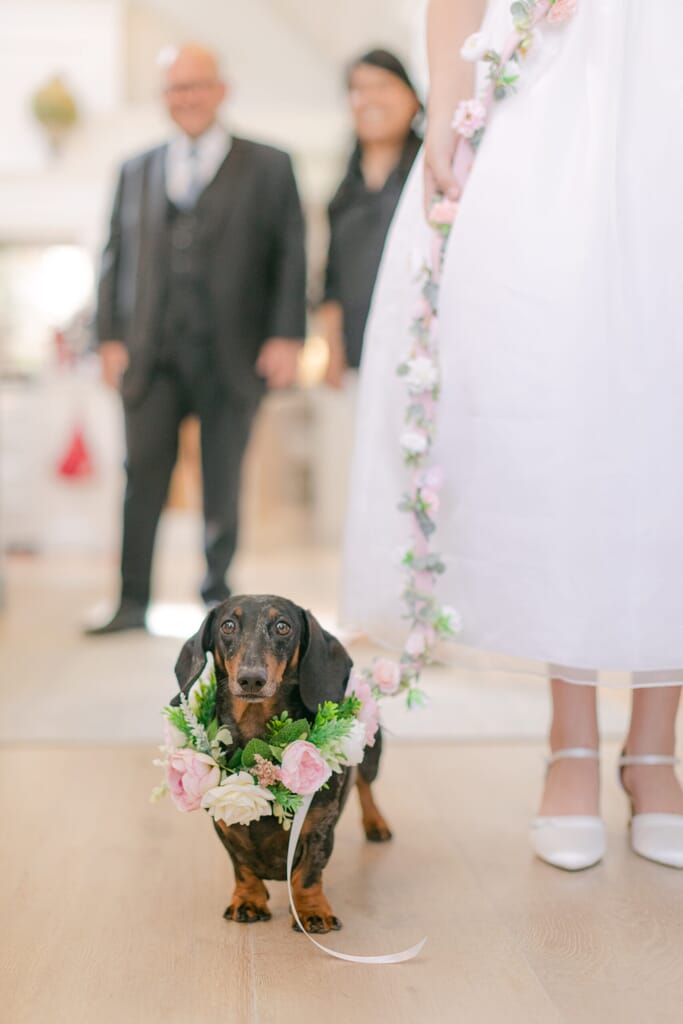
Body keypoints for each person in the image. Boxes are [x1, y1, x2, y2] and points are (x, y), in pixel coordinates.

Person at [343, 0, 683, 870]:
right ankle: (569, 737)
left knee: (662, 407)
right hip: (553, 86)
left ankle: (655, 749)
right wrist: (445, 122)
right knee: (560, 404)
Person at [89, 44, 305, 634]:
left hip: (232, 353)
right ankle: (131, 602)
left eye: (196, 86)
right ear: (164, 97)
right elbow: (112, 256)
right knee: (143, 478)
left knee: (222, 482)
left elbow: (291, 255)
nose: (186, 98)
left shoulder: (270, 164)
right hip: (150, 353)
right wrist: (108, 336)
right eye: (174, 89)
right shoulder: (136, 169)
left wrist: (287, 335)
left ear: (221, 90)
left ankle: (218, 606)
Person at [311, 50, 421, 544]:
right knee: (368, 471)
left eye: (382, 87)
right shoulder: (345, 187)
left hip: (419, 348)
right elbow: (331, 279)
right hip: (357, 352)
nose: (369, 99)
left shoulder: (431, 169)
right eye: (359, 88)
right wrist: (332, 348)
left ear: (412, 97)